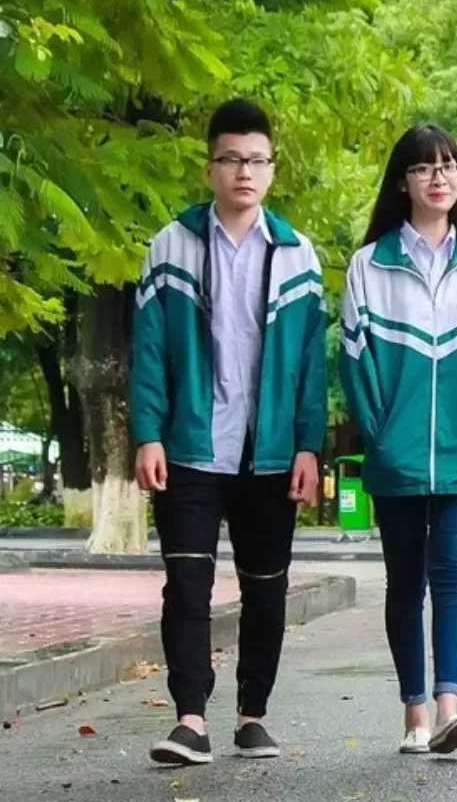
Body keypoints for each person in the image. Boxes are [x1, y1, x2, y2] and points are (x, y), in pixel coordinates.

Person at [130, 99, 327, 765]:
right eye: (232, 159)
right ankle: (190, 719)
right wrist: (148, 434)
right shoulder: (171, 245)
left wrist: (308, 446)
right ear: (210, 167)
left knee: (266, 586)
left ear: (272, 170)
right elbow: (149, 349)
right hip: (190, 444)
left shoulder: (297, 255)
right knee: (186, 585)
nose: (245, 171)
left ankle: (252, 715)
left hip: (268, 451)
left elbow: (310, 365)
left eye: (257, 160)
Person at [339, 125, 457, 756]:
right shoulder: (370, 266)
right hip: (398, 457)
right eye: (424, 168)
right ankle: (413, 711)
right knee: (404, 582)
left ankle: (449, 708)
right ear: (403, 181)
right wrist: (383, 434)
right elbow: (355, 363)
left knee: (452, 574)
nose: (439, 177)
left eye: (449, 166)